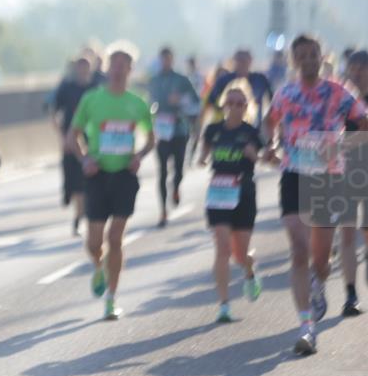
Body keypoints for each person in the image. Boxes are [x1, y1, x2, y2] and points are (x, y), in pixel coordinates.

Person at [263, 35, 367, 355]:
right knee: (298, 249)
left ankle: (319, 282)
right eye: (301, 55)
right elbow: (270, 122)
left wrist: (342, 146)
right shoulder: (286, 93)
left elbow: (363, 123)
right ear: (294, 61)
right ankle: (307, 327)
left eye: (313, 54)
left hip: (326, 179)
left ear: (322, 56)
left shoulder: (338, 92)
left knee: (320, 260)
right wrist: (271, 145)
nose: (308, 59)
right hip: (293, 174)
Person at [66, 42, 155, 320]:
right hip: (97, 174)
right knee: (94, 242)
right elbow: (73, 135)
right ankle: (98, 264)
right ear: (106, 68)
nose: (118, 69)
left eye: (123, 65)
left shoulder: (138, 103)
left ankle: (111, 298)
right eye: (113, 64)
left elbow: (151, 138)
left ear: (130, 69)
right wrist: (84, 160)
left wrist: (139, 155)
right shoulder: (92, 100)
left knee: (115, 237)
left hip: (124, 176)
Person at [197, 81, 264, 322]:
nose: (234, 107)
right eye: (230, 103)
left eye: (239, 103)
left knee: (239, 253)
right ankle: (224, 305)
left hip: (244, 192)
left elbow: (262, 158)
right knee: (222, 247)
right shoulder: (213, 130)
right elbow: (203, 153)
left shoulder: (251, 132)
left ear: (246, 106)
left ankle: (249, 268)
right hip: (218, 192)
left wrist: (252, 154)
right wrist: (203, 159)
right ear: (224, 105)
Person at [148, 46, 201, 227]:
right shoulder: (154, 80)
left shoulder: (182, 79)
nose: (166, 62)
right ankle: (163, 210)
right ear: (160, 60)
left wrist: (181, 100)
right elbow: (150, 102)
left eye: (169, 59)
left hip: (179, 129)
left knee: (179, 167)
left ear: (173, 59)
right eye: (163, 59)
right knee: (162, 170)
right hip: (162, 130)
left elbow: (195, 101)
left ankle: (176, 187)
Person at [338, 49, 368, 316]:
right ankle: (350, 294)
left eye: (362, 69)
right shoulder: (340, 99)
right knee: (346, 233)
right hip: (344, 171)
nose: (356, 74)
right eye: (353, 69)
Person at [52, 54, 97, 235]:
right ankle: (70, 197)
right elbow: (54, 112)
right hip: (71, 138)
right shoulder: (67, 87)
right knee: (71, 179)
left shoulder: (95, 89)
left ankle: (80, 217)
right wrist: (62, 137)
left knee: (84, 182)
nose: (83, 70)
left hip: (90, 140)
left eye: (86, 66)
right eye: (80, 66)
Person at [204, 49, 274, 126]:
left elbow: (273, 102)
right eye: (239, 61)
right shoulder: (225, 80)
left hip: (254, 127)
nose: (242, 64)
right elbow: (210, 102)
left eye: (244, 61)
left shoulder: (260, 80)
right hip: (228, 128)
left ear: (250, 61)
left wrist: (269, 125)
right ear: (234, 61)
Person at [185, 55, 205, 161]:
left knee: (197, 134)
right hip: (187, 110)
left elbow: (200, 91)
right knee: (187, 134)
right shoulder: (186, 76)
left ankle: (192, 155)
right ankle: (187, 155)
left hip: (197, 109)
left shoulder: (199, 76)